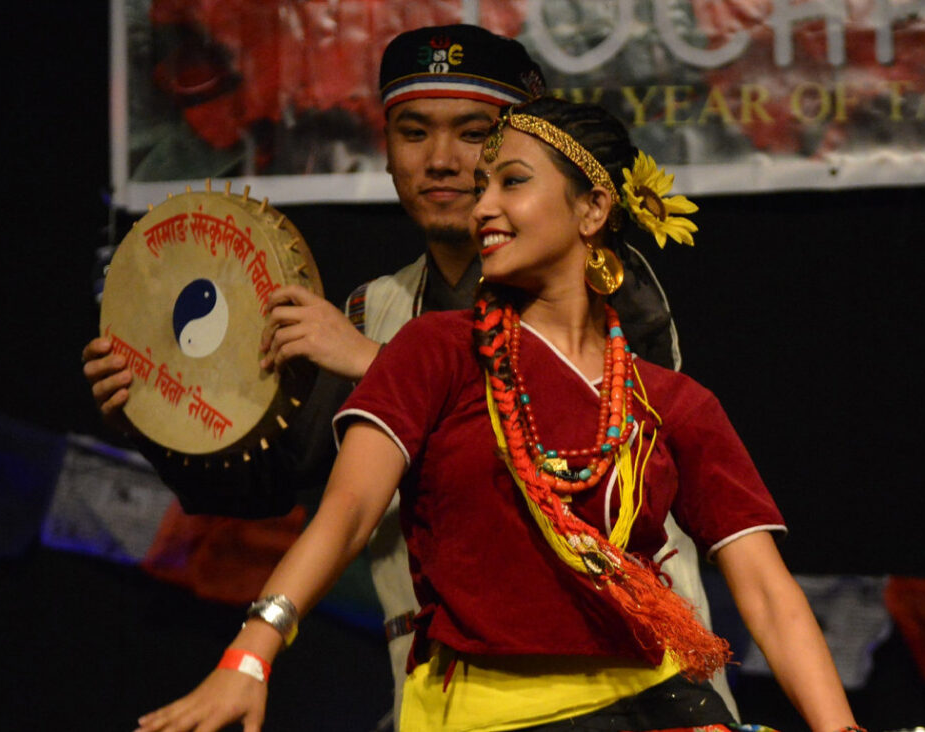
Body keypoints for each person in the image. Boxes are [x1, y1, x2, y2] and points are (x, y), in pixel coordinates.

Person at [134, 96, 862, 732]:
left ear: (593, 209)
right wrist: (250, 653)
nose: (482, 206)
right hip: (480, 714)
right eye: (483, 187)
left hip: (656, 705)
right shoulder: (432, 352)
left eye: (511, 182)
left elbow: (766, 589)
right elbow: (348, 513)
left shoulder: (671, 403)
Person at [83, 24, 732, 726]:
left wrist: (373, 362)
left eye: (475, 133)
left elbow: (578, 437)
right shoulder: (371, 309)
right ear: (386, 150)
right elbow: (275, 485)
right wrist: (154, 411)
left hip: (639, 689)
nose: (443, 161)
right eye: (414, 132)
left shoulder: (600, 286)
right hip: (448, 699)